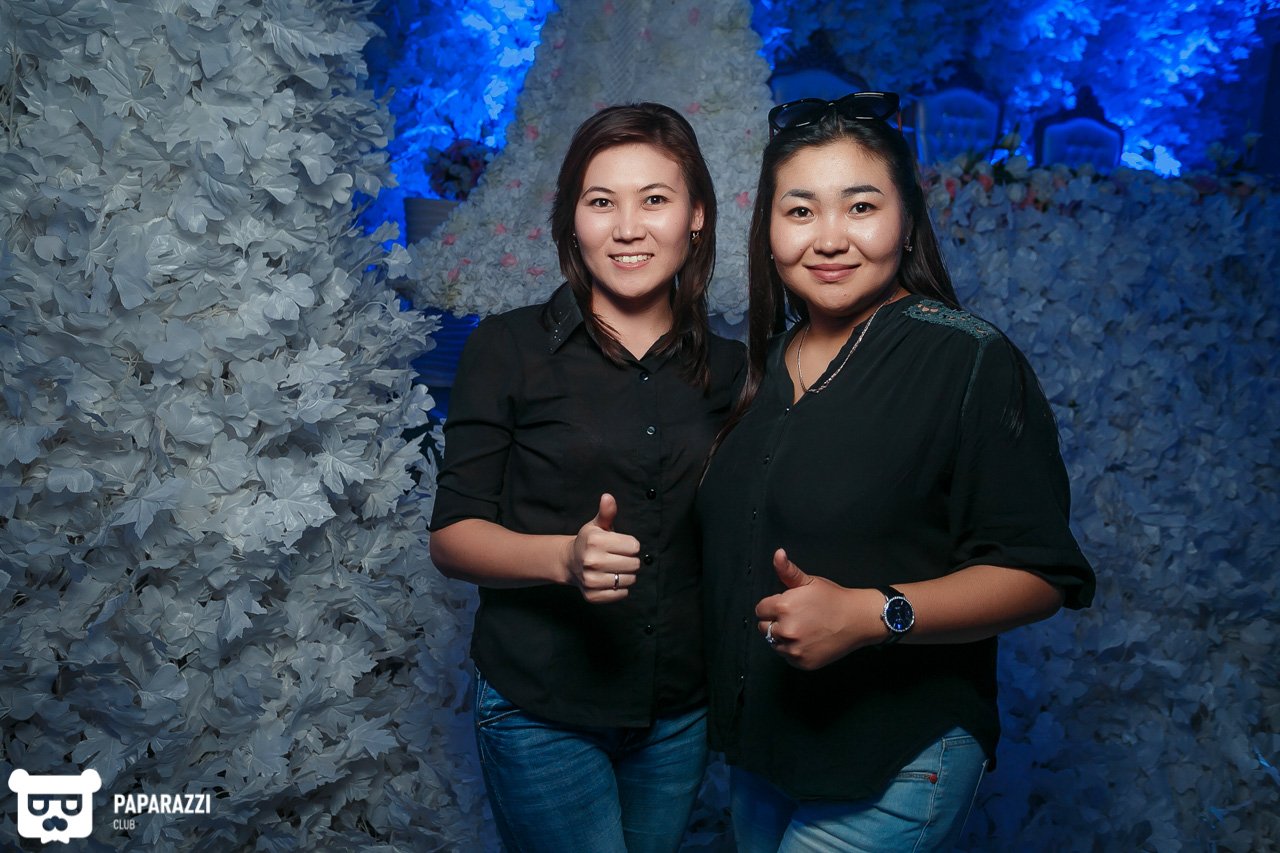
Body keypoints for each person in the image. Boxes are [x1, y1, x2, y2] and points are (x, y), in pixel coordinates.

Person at [696, 92, 1096, 852]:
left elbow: (1039, 573)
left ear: (906, 221)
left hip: (897, 754)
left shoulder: (966, 358)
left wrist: (872, 614)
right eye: (801, 210)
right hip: (765, 752)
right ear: (769, 230)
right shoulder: (759, 368)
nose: (830, 238)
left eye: (861, 206)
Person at [429, 103, 746, 853]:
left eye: (655, 199)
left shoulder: (737, 371)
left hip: (679, 713)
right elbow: (452, 536)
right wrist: (562, 559)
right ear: (572, 220)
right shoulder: (507, 348)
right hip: (542, 706)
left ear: (697, 216)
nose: (627, 228)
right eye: (602, 201)